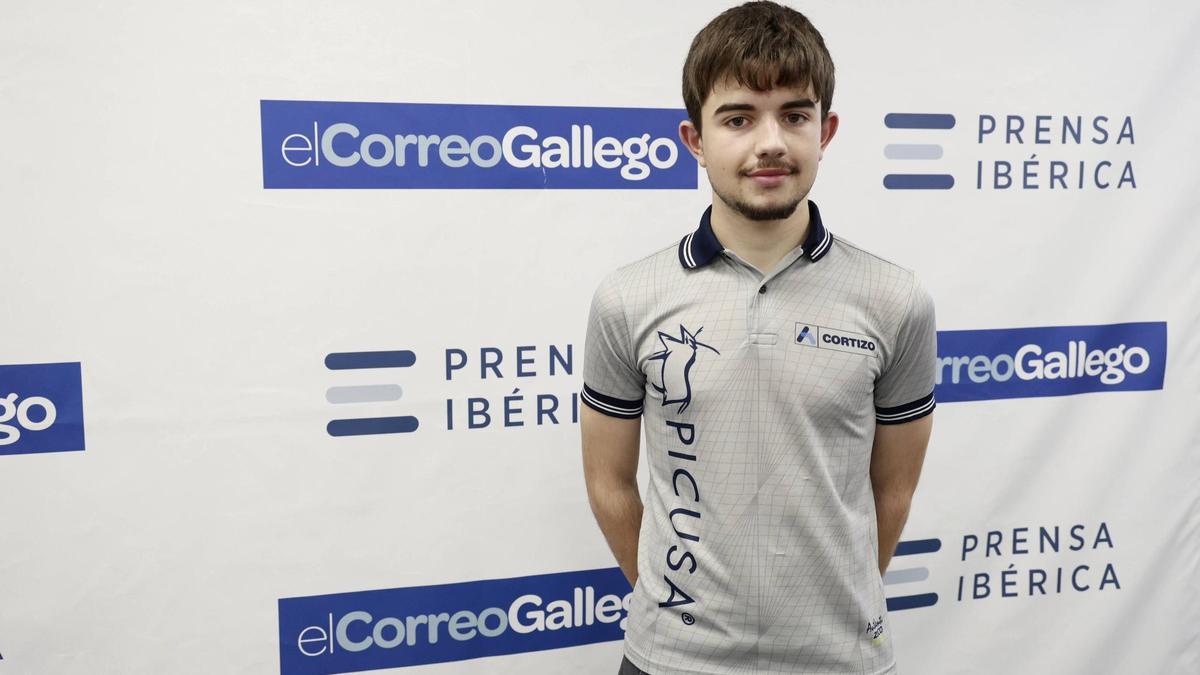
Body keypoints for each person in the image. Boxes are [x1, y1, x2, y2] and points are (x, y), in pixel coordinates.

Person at [580, 2, 937, 673]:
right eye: (739, 118)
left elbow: (892, 494)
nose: (770, 142)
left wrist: (830, 604)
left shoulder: (896, 299)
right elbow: (608, 483)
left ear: (825, 131)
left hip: (840, 659)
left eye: (794, 115)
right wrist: (677, 609)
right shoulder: (628, 298)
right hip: (670, 660)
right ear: (695, 139)